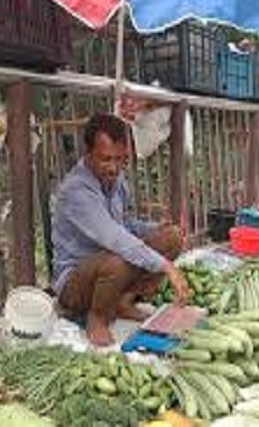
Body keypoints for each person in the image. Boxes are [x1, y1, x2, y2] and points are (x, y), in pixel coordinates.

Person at [51, 113, 190, 347]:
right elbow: (115, 238)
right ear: (88, 153)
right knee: (119, 259)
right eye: (106, 159)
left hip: (111, 268)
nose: (114, 168)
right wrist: (166, 267)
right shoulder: (76, 191)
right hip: (75, 284)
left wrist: (156, 228)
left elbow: (125, 225)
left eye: (120, 159)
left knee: (171, 238)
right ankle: (97, 319)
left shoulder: (116, 182)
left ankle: (122, 302)